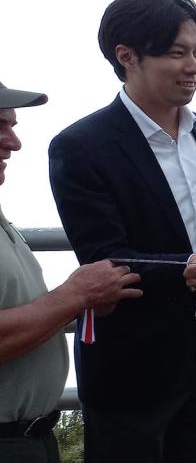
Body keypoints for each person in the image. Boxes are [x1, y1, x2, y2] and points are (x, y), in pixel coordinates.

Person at [48, 0, 196, 463]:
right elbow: (104, 255)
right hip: (133, 359)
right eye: (177, 53)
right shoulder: (81, 146)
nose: (193, 66)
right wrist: (182, 271)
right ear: (127, 56)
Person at [0, 83, 142, 463]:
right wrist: (73, 296)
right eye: (0, 126)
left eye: (12, 126)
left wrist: (84, 301)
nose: (13, 143)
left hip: (32, 439)